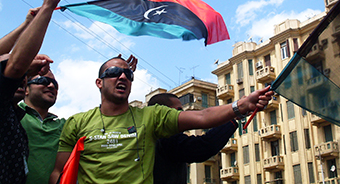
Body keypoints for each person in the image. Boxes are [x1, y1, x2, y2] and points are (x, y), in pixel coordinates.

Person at [49, 56, 273, 184]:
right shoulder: (77, 123)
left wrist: (240, 106)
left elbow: (202, 117)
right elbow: (58, 173)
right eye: (115, 72)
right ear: (99, 82)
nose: (123, 77)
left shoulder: (150, 116)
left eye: (128, 74)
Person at [0, 0, 70, 184]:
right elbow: (12, 65)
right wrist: (48, 6)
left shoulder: (9, 115)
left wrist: (27, 24)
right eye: (42, 80)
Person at [148, 93, 238, 184]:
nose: (181, 115)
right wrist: (232, 117)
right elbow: (204, 146)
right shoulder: (166, 139)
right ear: (164, 113)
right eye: (178, 111)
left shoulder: (147, 140)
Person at [19, 70, 66, 184]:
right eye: (43, 80)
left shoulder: (64, 126)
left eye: (55, 84)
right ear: (26, 89)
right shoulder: (12, 114)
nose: (51, 86)